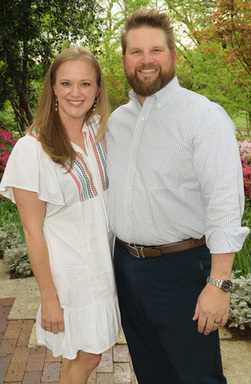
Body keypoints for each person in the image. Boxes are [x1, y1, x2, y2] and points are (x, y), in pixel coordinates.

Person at [106, 9, 250, 384]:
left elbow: (224, 202)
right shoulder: (114, 122)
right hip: (125, 267)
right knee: (151, 372)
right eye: (136, 51)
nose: (146, 60)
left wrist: (219, 285)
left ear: (172, 55)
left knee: (197, 377)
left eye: (156, 49)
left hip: (182, 272)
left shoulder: (203, 116)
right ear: (124, 59)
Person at [0, 46, 121, 384]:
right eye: (66, 83)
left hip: (102, 267)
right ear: (52, 87)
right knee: (87, 357)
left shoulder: (99, 132)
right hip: (70, 277)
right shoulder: (32, 149)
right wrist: (49, 298)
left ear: (98, 89)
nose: (75, 92)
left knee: (86, 357)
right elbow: (32, 231)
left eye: (85, 84)